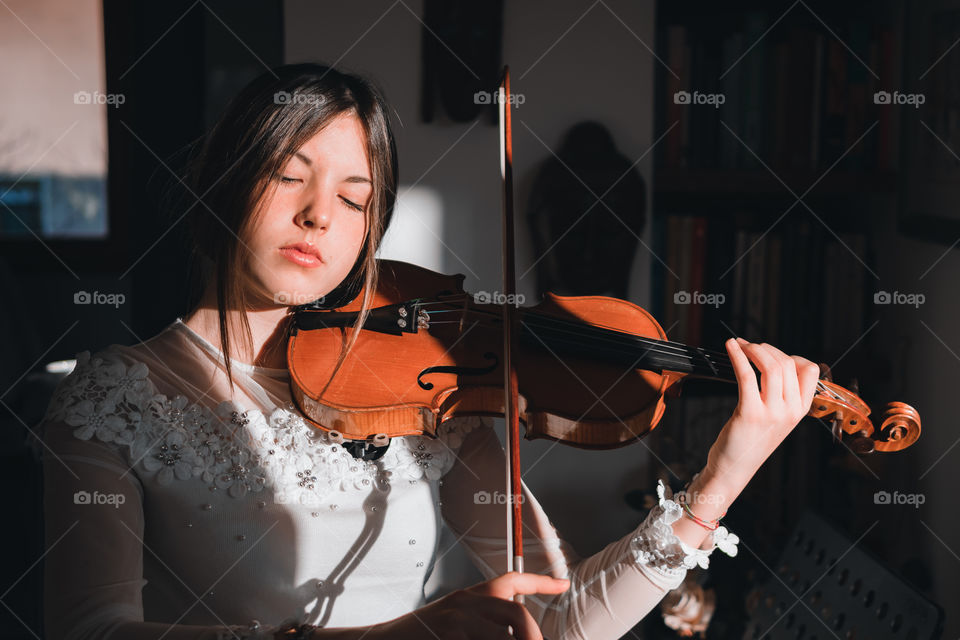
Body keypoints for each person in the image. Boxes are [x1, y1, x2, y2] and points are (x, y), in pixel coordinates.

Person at [37, 63, 821, 640]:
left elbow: (565, 622)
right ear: (223, 183)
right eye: (288, 176)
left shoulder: (422, 390)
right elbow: (90, 629)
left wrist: (719, 484)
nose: (319, 217)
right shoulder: (116, 396)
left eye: (353, 199)